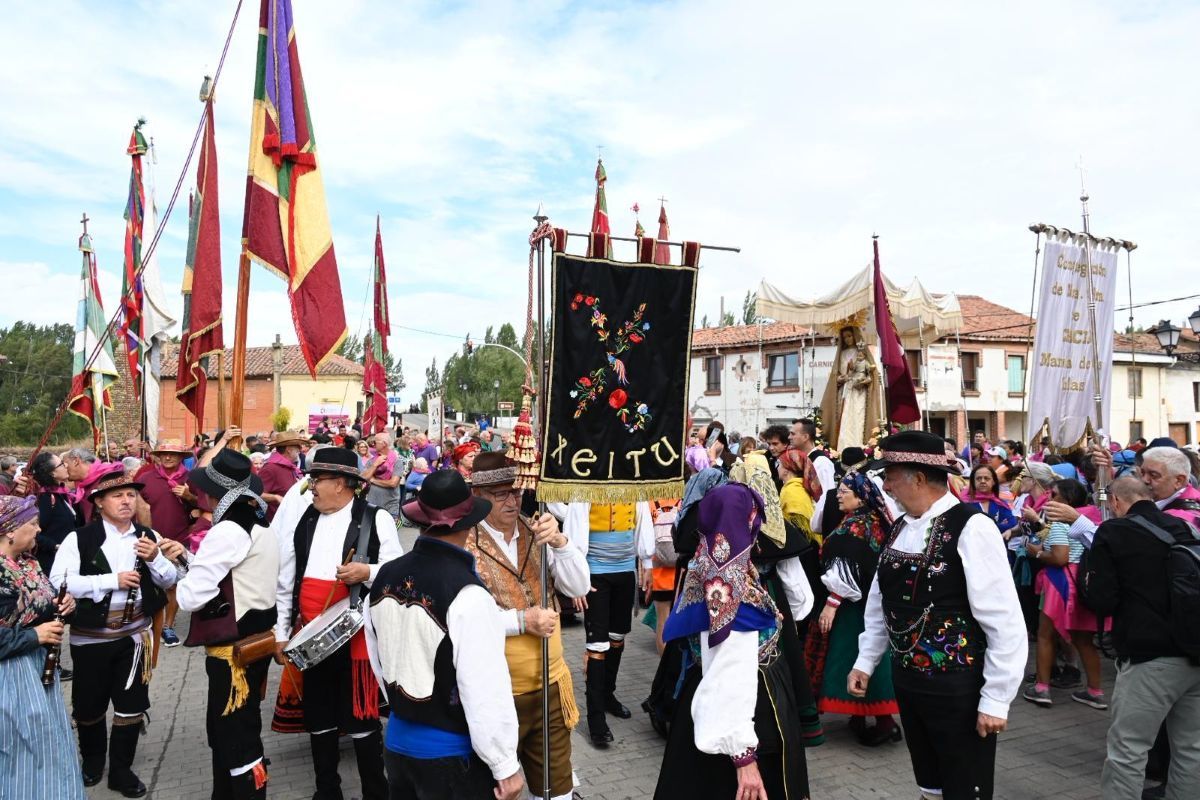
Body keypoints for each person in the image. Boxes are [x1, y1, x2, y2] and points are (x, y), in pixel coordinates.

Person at [849, 430, 1027, 800]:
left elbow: (1004, 620)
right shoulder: (899, 527)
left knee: (965, 786)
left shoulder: (973, 527)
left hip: (957, 685)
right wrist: (866, 661)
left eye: (891, 475)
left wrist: (996, 698)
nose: (887, 485)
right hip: (910, 681)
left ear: (917, 477)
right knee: (929, 782)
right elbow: (880, 601)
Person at [365, 470, 525, 800]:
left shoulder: (384, 577)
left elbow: (377, 660)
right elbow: (482, 685)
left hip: (397, 743)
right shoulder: (467, 592)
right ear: (468, 524)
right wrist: (504, 764)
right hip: (451, 755)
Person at [654, 483, 811, 800]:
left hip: (707, 700)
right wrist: (744, 758)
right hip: (746, 709)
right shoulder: (730, 592)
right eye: (754, 519)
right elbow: (729, 671)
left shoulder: (708, 565)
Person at [270, 447, 402, 800]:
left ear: (343, 484)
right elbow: (288, 582)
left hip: (358, 638)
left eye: (318, 479)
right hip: (312, 640)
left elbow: (398, 573)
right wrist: (281, 633)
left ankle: (377, 791)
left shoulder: (377, 519)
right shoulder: (306, 520)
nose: (311, 486)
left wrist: (367, 572)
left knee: (362, 720)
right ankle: (326, 790)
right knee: (319, 719)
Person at [463, 452, 589, 800]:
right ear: (479, 497)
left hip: (550, 685)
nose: (512, 500)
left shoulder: (537, 531)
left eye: (515, 491)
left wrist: (561, 543)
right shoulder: (464, 544)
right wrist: (520, 622)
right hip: (495, 693)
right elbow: (461, 620)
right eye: (501, 494)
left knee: (557, 790)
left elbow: (578, 587)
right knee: (498, 789)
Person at [51, 470, 179, 797]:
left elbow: (167, 581)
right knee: (88, 706)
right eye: (117, 496)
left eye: (131, 495)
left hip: (134, 638)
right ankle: (93, 760)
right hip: (90, 639)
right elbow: (59, 582)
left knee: (131, 705)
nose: (126, 501)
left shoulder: (148, 535)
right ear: (98, 502)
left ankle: (121, 770)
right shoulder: (79, 539)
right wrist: (111, 580)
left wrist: (155, 561)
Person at [1077, 476, 1200, 800]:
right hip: (1194, 649)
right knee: (1190, 749)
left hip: (1149, 656)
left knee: (1128, 749)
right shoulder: (1183, 528)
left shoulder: (1114, 531)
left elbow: (1102, 599)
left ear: (1116, 502)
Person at [176, 450, 279, 800]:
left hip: (232, 653)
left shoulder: (228, 530)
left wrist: (182, 570)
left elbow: (191, 598)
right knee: (232, 732)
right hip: (258, 640)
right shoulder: (259, 520)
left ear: (210, 494)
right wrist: (190, 561)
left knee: (235, 738)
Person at [807, 469, 901, 746]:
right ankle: (860, 716)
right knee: (863, 656)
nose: (839, 496)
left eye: (845, 492)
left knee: (856, 656)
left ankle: (884, 721)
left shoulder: (857, 526)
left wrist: (832, 605)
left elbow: (847, 570)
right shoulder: (872, 521)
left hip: (855, 606)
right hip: (870, 601)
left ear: (860, 498)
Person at [0, 495, 85, 799]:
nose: (38, 530)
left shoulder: (27, 562)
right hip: (9, 677)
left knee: (48, 743)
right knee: (20, 750)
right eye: (32, 524)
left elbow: (41, 608)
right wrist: (35, 636)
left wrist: (62, 606)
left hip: (36, 668)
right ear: (10, 529)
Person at [554, 498, 654, 747]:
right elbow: (573, 528)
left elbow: (642, 520)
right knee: (597, 645)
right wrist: (575, 578)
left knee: (617, 638)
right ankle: (595, 717)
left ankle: (608, 694)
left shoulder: (634, 480)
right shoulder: (586, 484)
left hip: (625, 571)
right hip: (595, 573)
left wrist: (648, 563)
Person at [1022, 478, 1108, 710]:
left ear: (1067, 500)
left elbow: (1060, 557)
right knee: (1084, 640)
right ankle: (1095, 691)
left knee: (1045, 636)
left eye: (1054, 495)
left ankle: (1042, 688)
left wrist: (1037, 554)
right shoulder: (1092, 518)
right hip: (1083, 582)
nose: (1049, 499)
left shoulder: (1061, 523)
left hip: (1060, 583)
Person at [135, 438, 196, 649]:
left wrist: (189, 496)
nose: (168, 457)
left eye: (173, 454)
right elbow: (134, 505)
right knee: (151, 583)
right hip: (150, 539)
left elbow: (205, 507)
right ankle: (152, 623)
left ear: (181, 457)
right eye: (163, 454)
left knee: (174, 585)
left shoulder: (190, 478)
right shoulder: (145, 477)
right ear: (158, 457)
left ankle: (167, 625)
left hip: (180, 538)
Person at [821, 326, 882, 450]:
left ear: (855, 336)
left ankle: (859, 446)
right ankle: (843, 448)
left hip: (859, 391)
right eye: (844, 337)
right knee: (843, 418)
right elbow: (835, 375)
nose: (847, 339)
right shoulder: (842, 354)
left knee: (858, 417)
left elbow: (871, 372)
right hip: (845, 390)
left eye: (849, 336)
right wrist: (840, 379)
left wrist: (864, 380)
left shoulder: (861, 352)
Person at [28, 451, 78, 579]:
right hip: (51, 563)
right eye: (61, 464)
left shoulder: (60, 494)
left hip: (65, 559)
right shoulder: (45, 498)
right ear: (52, 473)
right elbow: (33, 532)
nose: (66, 465)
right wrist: (55, 546)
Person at [258, 430, 308, 522]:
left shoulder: (291, 467)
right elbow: (256, 494)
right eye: (297, 446)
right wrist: (275, 497)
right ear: (289, 449)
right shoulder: (270, 468)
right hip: (276, 523)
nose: (300, 449)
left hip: (291, 519)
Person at [966, 464, 1018, 535]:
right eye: (979, 478)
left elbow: (1012, 523)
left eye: (986, 478)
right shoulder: (965, 504)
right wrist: (999, 526)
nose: (983, 481)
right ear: (973, 482)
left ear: (993, 482)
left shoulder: (1000, 503)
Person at [362, 431, 402, 519]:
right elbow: (363, 477)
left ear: (384, 444)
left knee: (389, 532)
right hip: (372, 506)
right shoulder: (373, 460)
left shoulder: (397, 461)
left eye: (375, 442)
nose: (372, 444)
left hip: (390, 506)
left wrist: (373, 480)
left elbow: (393, 483)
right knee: (372, 532)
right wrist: (375, 465)